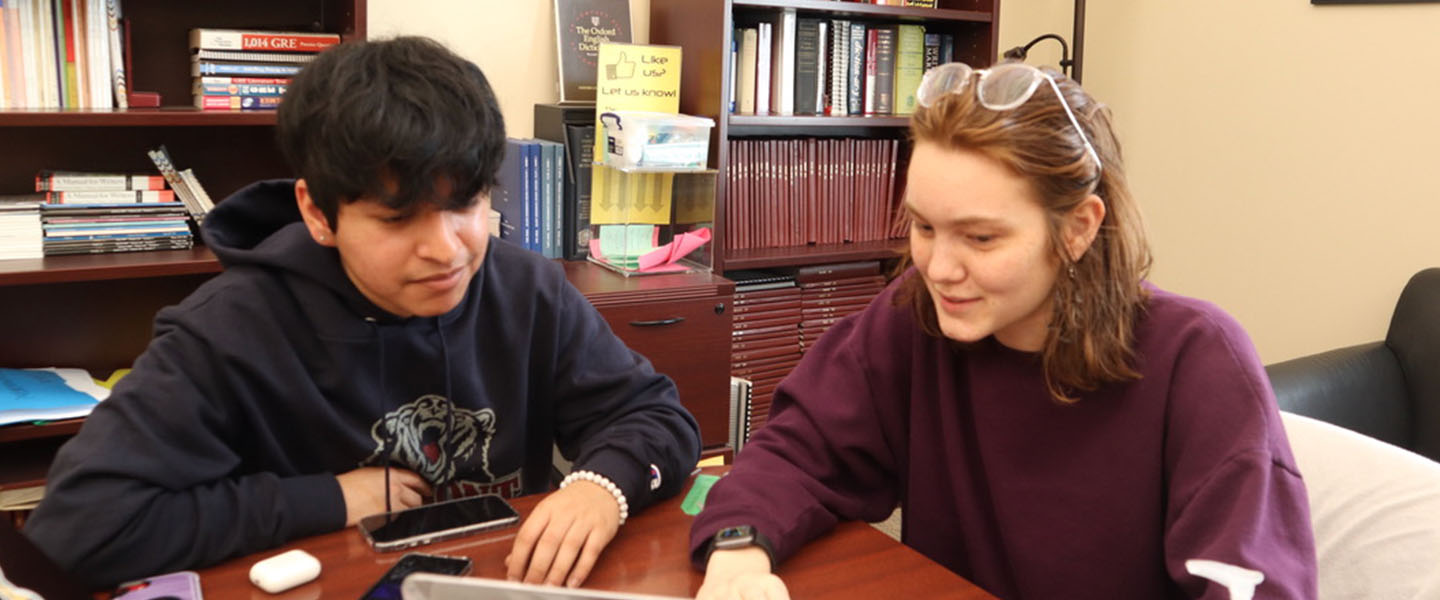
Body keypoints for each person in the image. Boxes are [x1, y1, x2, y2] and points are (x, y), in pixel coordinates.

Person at [23, 36, 700, 589]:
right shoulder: (228, 328)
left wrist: (599, 486)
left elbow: (658, 418)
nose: (447, 250)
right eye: (399, 218)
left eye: (465, 204)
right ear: (318, 213)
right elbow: (80, 527)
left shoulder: (525, 286)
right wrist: (326, 500)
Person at [691, 62, 1317, 600]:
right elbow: (797, 453)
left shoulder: (1198, 361)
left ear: (1078, 227)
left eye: (981, 237)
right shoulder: (913, 321)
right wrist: (741, 548)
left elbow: (1249, 580)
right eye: (925, 228)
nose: (938, 269)